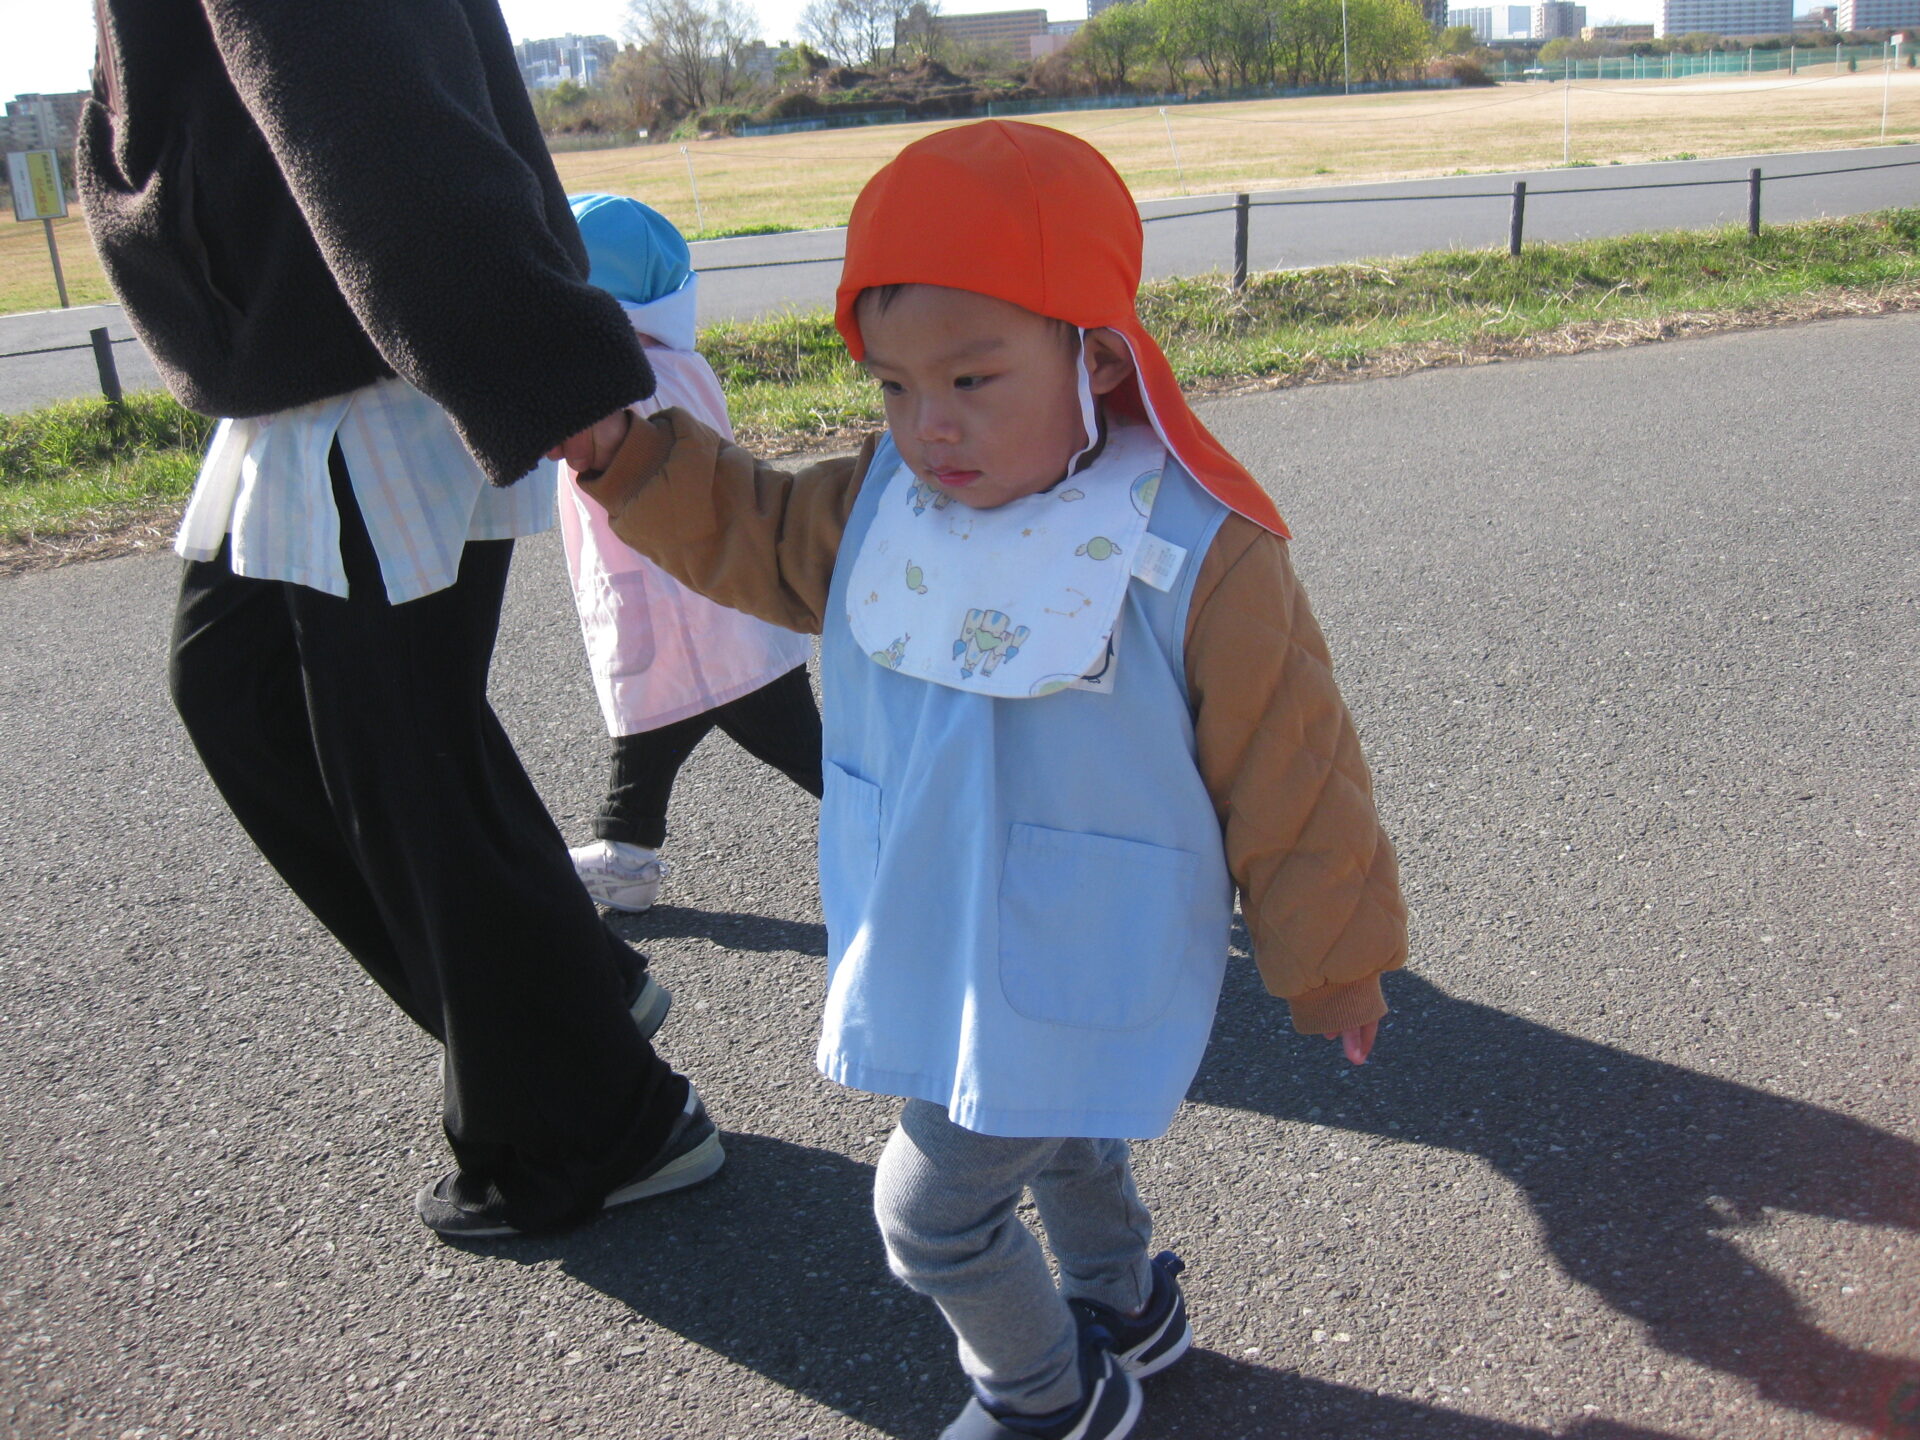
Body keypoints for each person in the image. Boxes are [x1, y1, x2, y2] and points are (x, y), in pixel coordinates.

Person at [574, 121, 1409, 1440]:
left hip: (1091, 940)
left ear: (1097, 354)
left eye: (972, 378)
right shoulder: (881, 504)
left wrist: (1334, 959)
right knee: (1060, 1130)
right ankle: (1126, 1305)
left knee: (931, 1213)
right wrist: (622, 452)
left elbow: (1292, 766)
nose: (931, 426)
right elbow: (752, 530)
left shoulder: (1197, 547)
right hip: (950, 924)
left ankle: (1044, 1399)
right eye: (894, 386)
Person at [76, 0, 721, 1240]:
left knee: (399, 756)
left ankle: (598, 1122)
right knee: (251, 697)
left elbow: (379, 96)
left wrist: (542, 362)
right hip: (304, 352)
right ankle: (568, 1002)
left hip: (381, 349)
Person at [557, 194, 822, 913]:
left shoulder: (623, 383)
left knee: (791, 740)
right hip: (701, 604)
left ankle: (908, 829)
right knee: (652, 726)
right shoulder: (673, 363)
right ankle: (625, 849)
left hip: (693, 610)